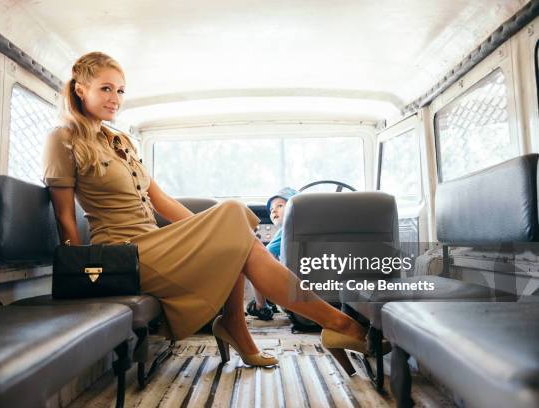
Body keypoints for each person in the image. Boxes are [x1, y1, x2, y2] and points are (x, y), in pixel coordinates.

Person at [43, 51, 367, 373]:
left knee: (234, 229)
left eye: (121, 90)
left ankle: (259, 325)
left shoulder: (119, 141)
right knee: (232, 214)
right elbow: (64, 216)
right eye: (106, 88)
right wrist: (79, 275)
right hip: (120, 255)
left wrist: (206, 232)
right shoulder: (64, 140)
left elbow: (161, 200)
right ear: (81, 89)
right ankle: (334, 325)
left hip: (153, 243)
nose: (116, 98)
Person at [246, 187, 297, 320]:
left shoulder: (287, 227)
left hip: (290, 285)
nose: (274, 210)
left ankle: (261, 306)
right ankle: (270, 299)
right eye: (271, 210)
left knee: (254, 261)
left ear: (294, 208)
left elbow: (265, 257)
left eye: (280, 205)